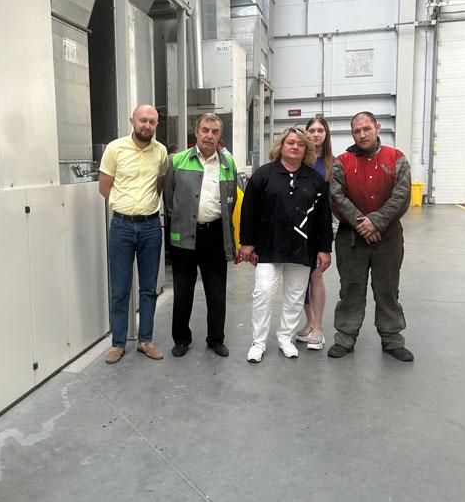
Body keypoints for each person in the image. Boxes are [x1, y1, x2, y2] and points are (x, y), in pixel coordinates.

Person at [240, 127, 332, 362]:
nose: (295, 147)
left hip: (302, 248)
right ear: (281, 146)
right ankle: (258, 342)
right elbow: (248, 210)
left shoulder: (315, 179)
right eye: (290, 142)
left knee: (295, 296)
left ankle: (285, 338)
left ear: (306, 150)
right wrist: (247, 243)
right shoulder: (263, 175)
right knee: (263, 293)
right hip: (268, 245)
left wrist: (324, 248)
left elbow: (323, 217)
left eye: (300, 144)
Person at [328, 111, 413, 362]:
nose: (362, 134)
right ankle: (345, 337)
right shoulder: (342, 162)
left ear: (377, 127)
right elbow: (336, 197)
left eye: (366, 129)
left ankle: (392, 339)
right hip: (351, 239)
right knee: (350, 289)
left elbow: (402, 196)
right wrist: (362, 223)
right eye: (357, 131)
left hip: (388, 238)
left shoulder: (397, 159)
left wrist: (376, 221)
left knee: (388, 288)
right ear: (352, 133)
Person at [163, 113, 237, 358]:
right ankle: (181, 339)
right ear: (196, 132)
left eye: (214, 132)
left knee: (216, 292)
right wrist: (180, 223)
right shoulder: (177, 161)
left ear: (219, 135)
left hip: (215, 235)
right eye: (205, 130)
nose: (209, 136)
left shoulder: (228, 163)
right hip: (185, 234)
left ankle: (216, 339)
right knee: (183, 291)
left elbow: (232, 200)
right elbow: (169, 199)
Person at [99, 105, 168, 364]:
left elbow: (158, 186)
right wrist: (127, 206)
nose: (147, 125)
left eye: (152, 121)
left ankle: (145, 341)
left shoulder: (161, 152)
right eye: (142, 120)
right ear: (132, 120)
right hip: (122, 227)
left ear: (156, 125)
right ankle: (118, 343)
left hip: (151, 227)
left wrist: (144, 207)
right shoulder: (114, 149)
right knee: (120, 288)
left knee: (149, 288)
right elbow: (104, 188)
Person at [295, 114, 334, 351]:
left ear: (326, 134)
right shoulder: (300, 161)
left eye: (321, 130)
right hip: (300, 228)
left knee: (316, 275)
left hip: (321, 228)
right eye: (312, 130)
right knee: (300, 277)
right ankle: (309, 322)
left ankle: (318, 328)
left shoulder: (333, 164)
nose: (316, 134)